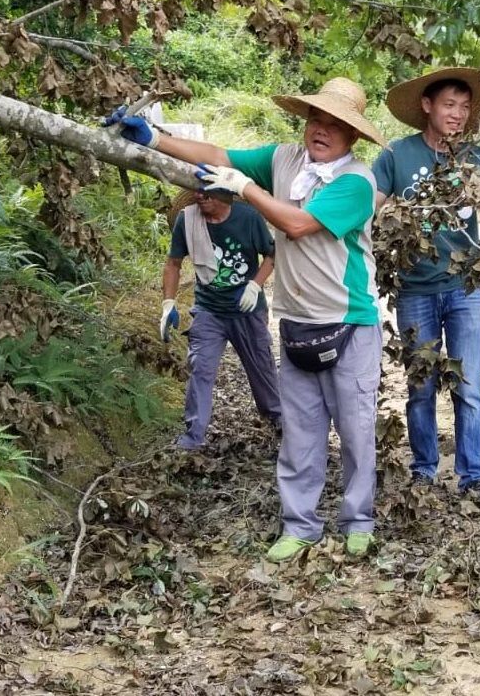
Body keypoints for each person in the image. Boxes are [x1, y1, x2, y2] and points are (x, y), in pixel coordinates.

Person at [108, 78, 387, 562]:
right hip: (297, 318)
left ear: (352, 135)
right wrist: (155, 138)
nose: (321, 130)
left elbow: (297, 225)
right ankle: (300, 524)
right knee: (300, 429)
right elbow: (218, 153)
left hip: (349, 320)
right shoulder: (283, 159)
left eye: (335, 125)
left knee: (356, 427)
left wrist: (247, 190)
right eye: (315, 119)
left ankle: (358, 519)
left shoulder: (356, 182)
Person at [373, 68, 480, 511]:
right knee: (420, 385)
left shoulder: (477, 156)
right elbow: (370, 210)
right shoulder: (397, 156)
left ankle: (474, 478)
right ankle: (424, 472)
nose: (458, 114)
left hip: (464, 286)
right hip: (414, 289)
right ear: (427, 106)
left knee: (468, 386)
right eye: (449, 105)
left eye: (465, 107)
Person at [160, 188, 280, 450]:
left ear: (225, 194)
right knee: (200, 368)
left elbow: (273, 254)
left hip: (246, 310)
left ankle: (278, 418)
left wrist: (255, 285)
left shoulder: (248, 218)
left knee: (261, 367)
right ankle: (193, 437)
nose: (201, 198)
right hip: (208, 309)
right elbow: (173, 263)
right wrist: (168, 302)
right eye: (198, 193)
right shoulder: (188, 220)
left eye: (208, 193)